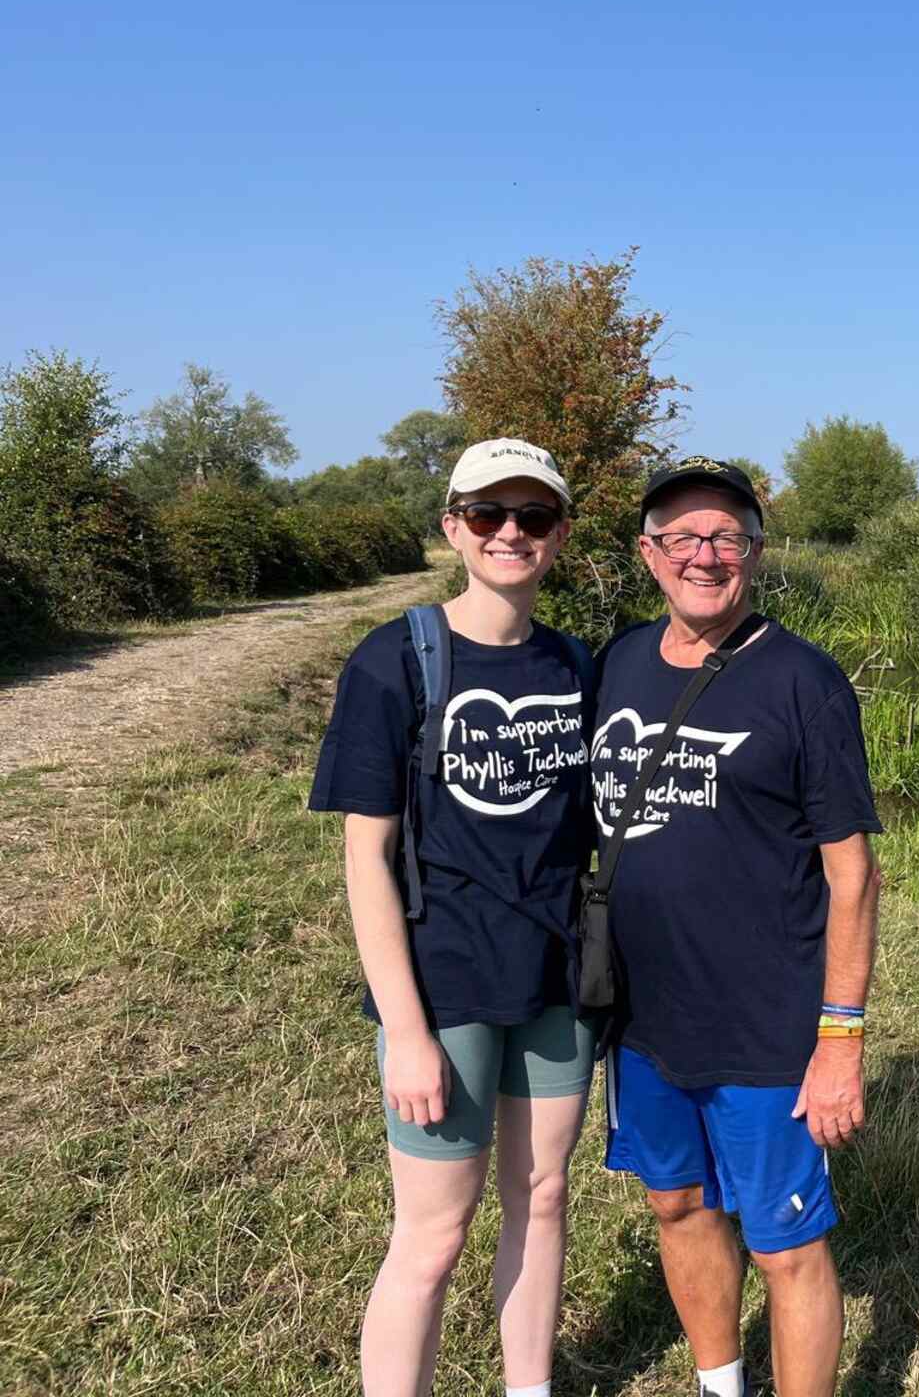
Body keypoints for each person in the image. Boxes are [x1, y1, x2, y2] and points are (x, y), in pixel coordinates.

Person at [309, 438, 598, 1397]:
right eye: (488, 514)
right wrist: (405, 1032)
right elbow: (366, 859)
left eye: (533, 515)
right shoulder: (395, 660)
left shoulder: (574, 664)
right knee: (433, 1234)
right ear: (454, 529)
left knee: (543, 1197)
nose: (511, 532)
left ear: (560, 534)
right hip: (445, 988)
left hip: (555, 977)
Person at [590, 456, 883, 1397]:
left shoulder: (804, 681)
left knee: (785, 1244)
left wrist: (839, 1038)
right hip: (642, 1020)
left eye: (726, 536)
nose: (704, 555)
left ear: (756, 553)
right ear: (648, 554)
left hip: (765, 1024)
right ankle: (721, 1386)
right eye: (680, 536)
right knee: (676, 1204)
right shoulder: (616, 663)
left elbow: (852, 876)